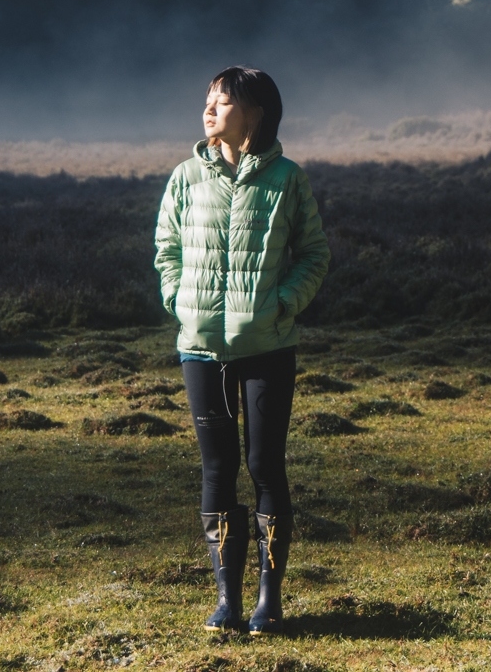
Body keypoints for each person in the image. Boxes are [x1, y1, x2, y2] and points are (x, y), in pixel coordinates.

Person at [153, 66, 329, 636]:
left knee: (264, 465)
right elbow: (167, 250)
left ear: (254, 113)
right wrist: (180, 301)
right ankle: (227, 602)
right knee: (217, 469)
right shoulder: (185, 177)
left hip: (268, 346)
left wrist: (283, 303)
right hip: (200, 347)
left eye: (222, 101)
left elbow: (313, 254)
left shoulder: (288, 179)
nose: (209, 110)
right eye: (207, 99)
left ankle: (268, 601)